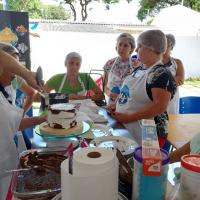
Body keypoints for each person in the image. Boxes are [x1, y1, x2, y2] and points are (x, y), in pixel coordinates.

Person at [108, 30, 177, 148]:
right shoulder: (140, 69)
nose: (135, 50)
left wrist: (129, 117)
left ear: (151, 49)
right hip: (128, 129)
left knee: (140, 163)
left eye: (139, 46)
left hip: (146, 135)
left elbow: (160, 106)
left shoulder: (160, 73)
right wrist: (117, 104)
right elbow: (130, 94)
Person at [0, 49, 44, 200]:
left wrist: (41, 119)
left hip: (6, 170)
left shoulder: (3, 93)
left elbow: (15, 124)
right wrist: (26, 73)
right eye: (12, 67)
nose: (15, 74)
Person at [0, 43, 36, 115]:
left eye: (16, 68)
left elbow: (31, 93)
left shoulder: (14, 80)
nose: (15, 74)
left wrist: (22, 114)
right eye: (12, 66)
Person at [103, 33, 136, 103]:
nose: (122, 48)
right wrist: (110, 94)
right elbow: (104, 85)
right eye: (120, 45)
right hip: (112, 101)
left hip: (130, 102)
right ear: (116, 47)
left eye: (126, 45)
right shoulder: (109, 63)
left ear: (132, 48)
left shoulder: (136, 64)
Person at [162, 34, 185, 114]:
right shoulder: (153, 61)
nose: (165, 45)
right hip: (154, 98)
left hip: (172, 100)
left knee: (171, 122)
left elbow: (180, 80)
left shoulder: (177, 62)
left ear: (172, 46)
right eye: (163, 42)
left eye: (168, 42)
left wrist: (159, 81)